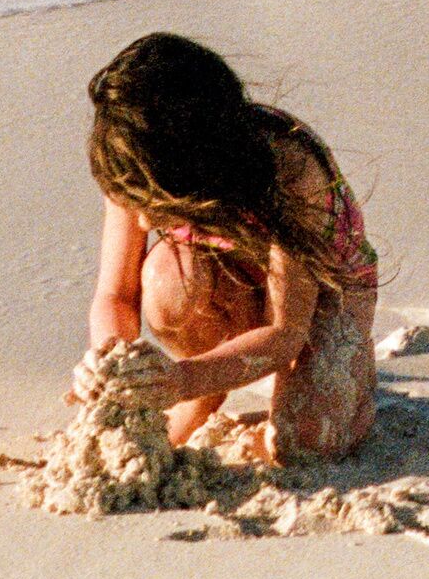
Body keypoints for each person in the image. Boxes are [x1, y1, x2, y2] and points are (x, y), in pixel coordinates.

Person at [79, 31, 382, 463]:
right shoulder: (131, 158)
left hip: (320, 291)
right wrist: (108, 360)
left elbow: (285, 333)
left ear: (200, 166)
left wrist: (180, 380)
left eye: (157, 205)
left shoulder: (290, 171)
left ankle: (352, 380)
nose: (144, 221)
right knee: (165, 278)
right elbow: (115, 295)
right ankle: (207, 385)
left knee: (307, 443)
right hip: (228, 276)